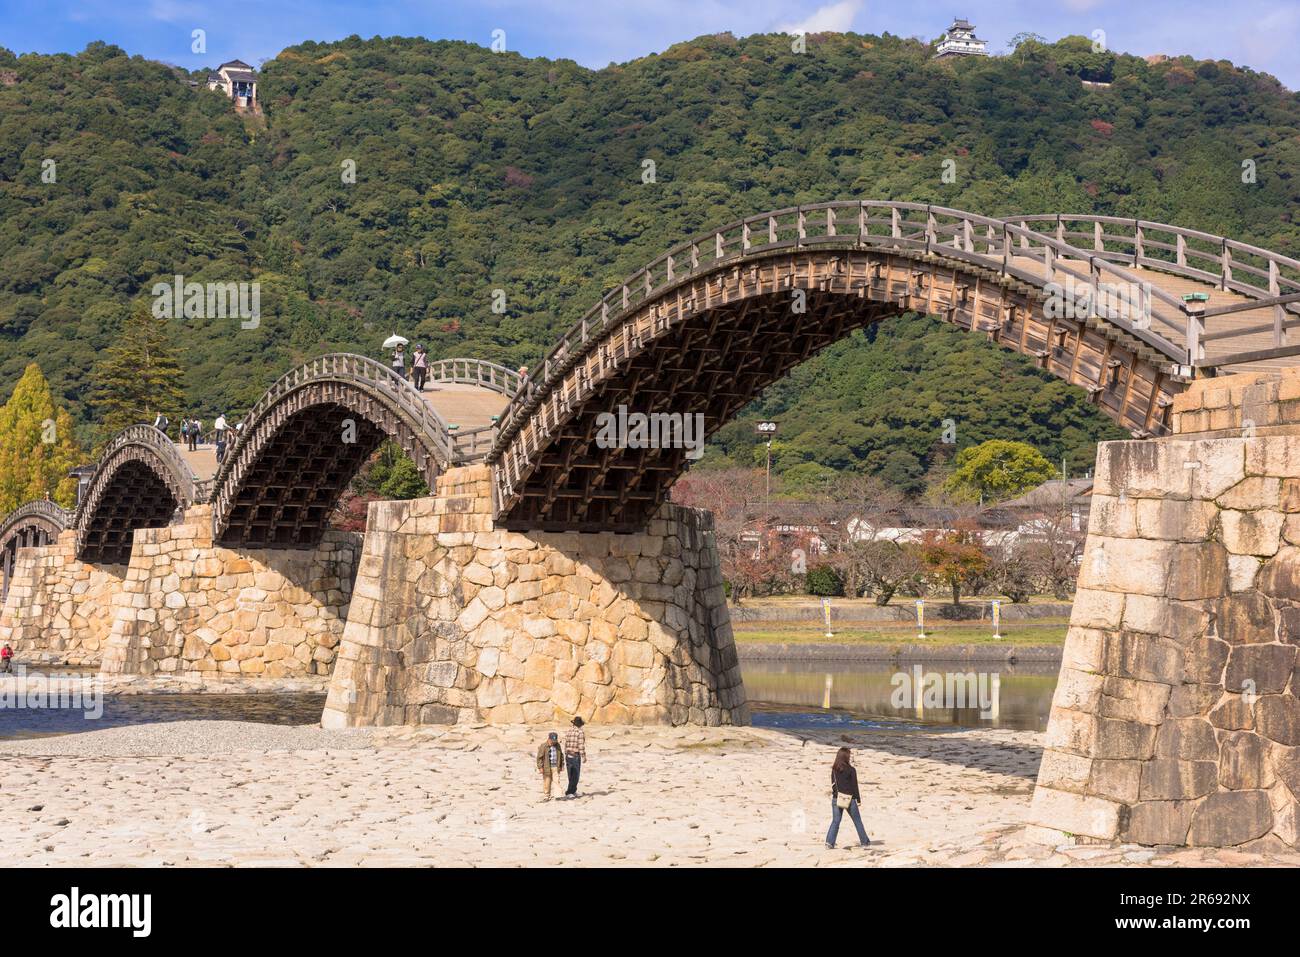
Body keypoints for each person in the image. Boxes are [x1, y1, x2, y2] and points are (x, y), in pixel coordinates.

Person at [825, 747, 871, 849]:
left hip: (836, 798)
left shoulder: (834, 769)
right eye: (849, 755)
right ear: (846, 756)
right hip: (849, 799)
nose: (850, 756)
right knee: (857, 821)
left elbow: (833, 784)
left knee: (835, 821)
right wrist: (858, 800)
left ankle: (829, 842)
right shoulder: (851, 770)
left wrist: (836, 794)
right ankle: (864, 842)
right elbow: (855, 786)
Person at [563, 716, 587, 798]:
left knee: (570, 774)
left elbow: (565, 743)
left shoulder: (569, 731)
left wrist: (565, 753)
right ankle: (570, 792)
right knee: (576, 775)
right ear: (580, 724)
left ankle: (573, 791)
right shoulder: (580, 732)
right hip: (575, 755)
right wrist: (584, 756)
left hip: (568, 755)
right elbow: (581, 745)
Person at [536, 731, 563, 801]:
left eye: (555, 740)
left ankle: (558, 795)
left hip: (555, 767)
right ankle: (547, 795)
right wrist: (540, 767)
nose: (553, 742)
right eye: (552, 740)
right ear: (549, 739)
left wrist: (561, 765)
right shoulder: (543, 746)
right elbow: (539, 757)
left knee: (557, 781)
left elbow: (561, 755)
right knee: (547, 781)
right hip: (546, 767)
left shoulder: (557, 745)